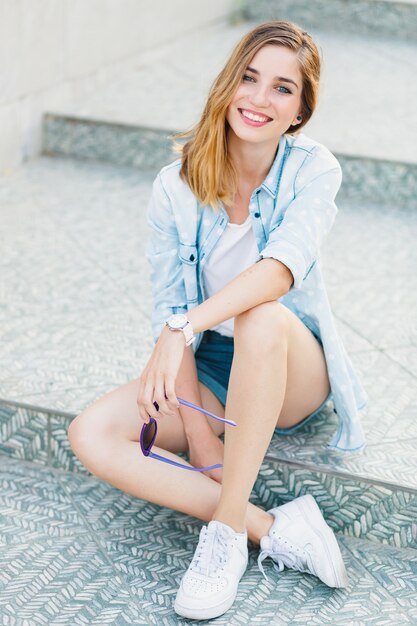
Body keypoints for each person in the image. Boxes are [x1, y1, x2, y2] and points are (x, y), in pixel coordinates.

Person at [68, 20, 368, 621]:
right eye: (250, 79)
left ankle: (224, 536)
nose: (259, 99)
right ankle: (270, 527)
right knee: (92, 433)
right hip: (207, 364)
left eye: (283, 89)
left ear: (301, 111)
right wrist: (203, 441)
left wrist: (184, 326)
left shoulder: (315, 171)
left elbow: (280, 270)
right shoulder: (176, 185)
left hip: (289, 361)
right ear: (228, 84)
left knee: (258, 313)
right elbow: (168, 309)